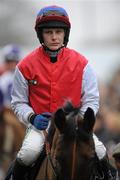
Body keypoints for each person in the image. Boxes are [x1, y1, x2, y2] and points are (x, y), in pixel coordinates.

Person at [9, 5, 107, 180]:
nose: (54, 37)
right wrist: (32, 118)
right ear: (41, 35)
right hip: (41, 126)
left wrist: (81, 122)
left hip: (75, 126)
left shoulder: (83, 64)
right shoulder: (24, 66)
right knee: (27, 154)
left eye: (58, 32)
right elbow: (18, 102)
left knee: (101, 151)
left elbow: (92, 100)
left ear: (65, 34)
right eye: (48, 32)